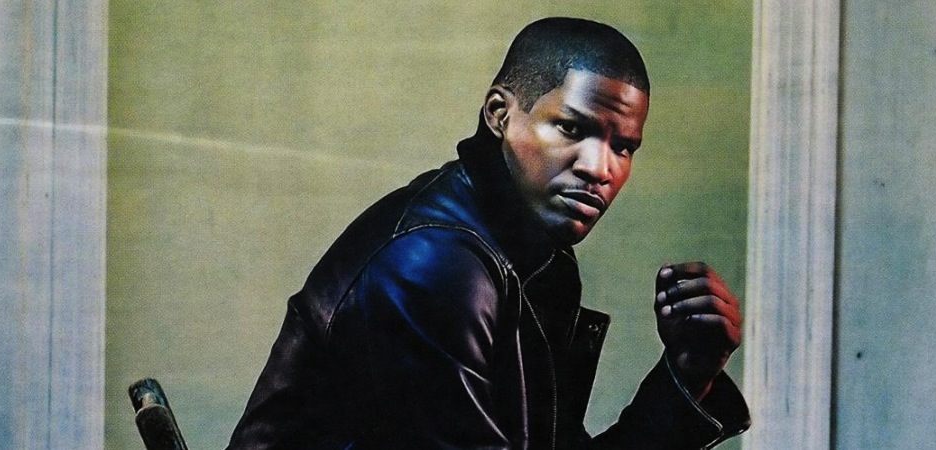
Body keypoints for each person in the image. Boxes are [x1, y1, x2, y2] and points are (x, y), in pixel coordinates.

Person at [227, 17, 750, 449]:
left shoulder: (533, 257)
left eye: (623, 147)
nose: (600, 167)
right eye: (571, 128)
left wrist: (689, 372)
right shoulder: (435, 263)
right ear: (500, 114)